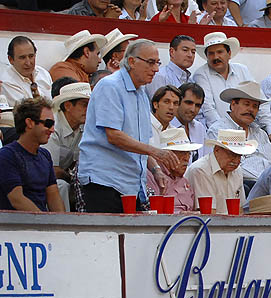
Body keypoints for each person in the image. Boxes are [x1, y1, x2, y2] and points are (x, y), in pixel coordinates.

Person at [78, 39, 178, 213]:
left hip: (130, 185)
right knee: (107, 238)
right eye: (151, 62)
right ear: (131, 61)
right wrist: (155, 151)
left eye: (158, 63)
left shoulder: (141, 94)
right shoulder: (110, 86)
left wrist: (155, 169)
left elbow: (140, 141)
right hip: (105, 182)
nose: (156, 69)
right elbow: (114, 136)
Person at [193, 32, 271, 141]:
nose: (215, 57)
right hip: (220, 135)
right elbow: (208, 109)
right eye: (211, 53)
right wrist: (225, 132)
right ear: (207, 57)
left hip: (248, 131)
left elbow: (258, 97)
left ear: (229, 53)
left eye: (220, 52)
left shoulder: (242, 70)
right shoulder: (201, 74)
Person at [0, 97, 65, 212]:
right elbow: (17, 199)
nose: (52, 130)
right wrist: (43, 223)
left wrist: (62, 226)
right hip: (14, 226)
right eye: (48, 124)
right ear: (29, 123)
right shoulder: (7, 155)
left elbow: (53, 196)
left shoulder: (45, 155)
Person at [208, 81, 271, 187]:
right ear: (233, 105)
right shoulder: (219, 130)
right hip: (234, 184)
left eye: (255, 106)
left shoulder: (261, 134)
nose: (251, 110)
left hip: (266, 185)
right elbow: (221, 166)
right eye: (246, 104)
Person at [46, 79, 90, 212]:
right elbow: (51, 170)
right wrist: (72, 177)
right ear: (68, 106)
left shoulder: (85, 126)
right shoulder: (52, 125)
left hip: (68, 176)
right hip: (46, 178)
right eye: (84, 105)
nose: (88, 110)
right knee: (61, 186)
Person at [184, 128, 252, 213]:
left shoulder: (237, 171)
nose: (236, 160)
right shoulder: (200, 170)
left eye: (239, 156)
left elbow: (239, 210)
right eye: (232, 154)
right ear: (216, 150)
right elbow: (208, 214)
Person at [147, 128, 198, 212]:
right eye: (182, 153)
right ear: (167, 154)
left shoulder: (184, 181)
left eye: (189, 153)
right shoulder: (152, 177)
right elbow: (151, 211)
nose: (187, 158)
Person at [1, 36, 52, 108]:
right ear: (11, 59)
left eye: (31, 56)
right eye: (22, 58)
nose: (28, 63)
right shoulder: (7, 82)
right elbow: (27, 112)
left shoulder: (43, 73)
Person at [146, 35, 195, 100]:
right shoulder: (159, 76)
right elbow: (158, 107)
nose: (190, 55)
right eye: (185, 50)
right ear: (172, 52)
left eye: (193, 52)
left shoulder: (191, 80)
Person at [171, 82, 207, 159]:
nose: (193, 109)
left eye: (197, 105)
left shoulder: (199, 128)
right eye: (189, 103)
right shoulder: (166, 127)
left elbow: (206, 158)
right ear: (178, 102)